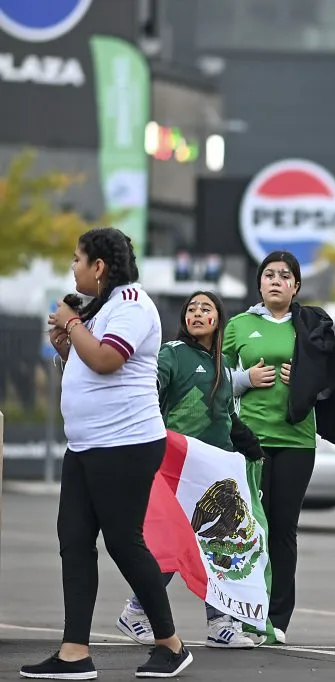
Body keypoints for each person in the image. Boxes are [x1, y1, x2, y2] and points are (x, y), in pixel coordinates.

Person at [23, 228, 192, 679]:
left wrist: (72, 324)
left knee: (122, 541)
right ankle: (74, 652)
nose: (73, 267)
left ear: (99, 267)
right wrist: (65, 344)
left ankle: (171, 645)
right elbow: (87, 364)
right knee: (74, 541)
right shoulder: (103, 308)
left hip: (127, 444)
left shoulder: (134, 304)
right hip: (87, 445)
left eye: (79, 259)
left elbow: (106, 361)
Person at [115, 291, 266, 649]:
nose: (197, 314)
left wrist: (249, 445)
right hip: (176, 468)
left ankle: (219, 624)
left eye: (206, 309)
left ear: (218, 319)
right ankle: (135, 611)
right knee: (174, 544)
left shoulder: (220, 364)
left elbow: (225, 416)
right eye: (191, 309)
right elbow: (147, 393)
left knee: (219, 545)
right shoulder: (172, 354)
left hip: (215, 469)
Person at [225, 251, 335, 644]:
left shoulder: (310, 324)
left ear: (296, 286)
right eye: (269, 275)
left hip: (296, 440)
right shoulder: (238, 325)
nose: (276, 280)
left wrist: (304, 377)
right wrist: (245, 378)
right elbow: (215, 380)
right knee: (250, 531)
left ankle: (277, 619)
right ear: (259, 284)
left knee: (282, 529)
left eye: (285, 276)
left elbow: (332, 378)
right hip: (251, 442)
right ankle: (245, 612)